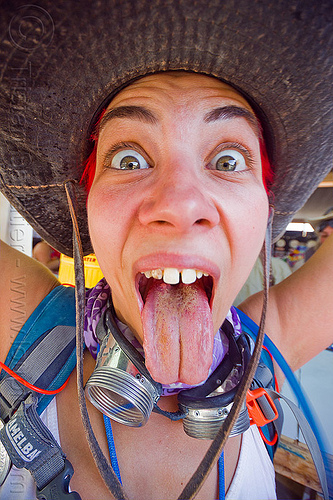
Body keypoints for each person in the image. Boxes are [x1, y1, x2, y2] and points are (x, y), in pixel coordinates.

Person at [0, 1, 333, 499]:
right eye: (129, 158)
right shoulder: (24, 325)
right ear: (87, 204)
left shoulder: (270, 349)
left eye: (227, 158)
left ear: (264, 208)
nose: (180, 204)